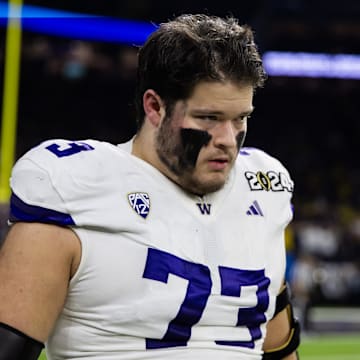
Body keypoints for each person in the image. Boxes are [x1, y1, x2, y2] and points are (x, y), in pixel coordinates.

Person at [0, 14, 300, 360]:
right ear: (155, 107)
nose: (228, 140)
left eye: (240, 119)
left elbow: (279, 349)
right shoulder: (77, 188)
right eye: (209, 118)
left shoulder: (262, 189)